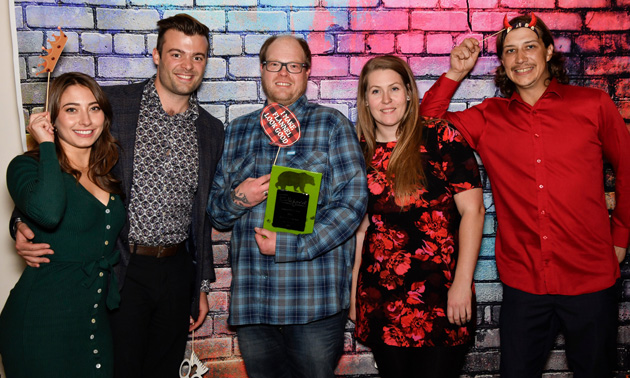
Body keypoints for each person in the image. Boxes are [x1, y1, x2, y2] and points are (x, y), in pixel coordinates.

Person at [12, 14, 225, 378]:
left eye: (198, 57)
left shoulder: (211, 129)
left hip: (176, 271)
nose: (187, 66)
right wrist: (21, 222)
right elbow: (63, 167)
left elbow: (201, 215)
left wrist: (201, 285)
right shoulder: (112, 106)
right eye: (176, 54)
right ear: (156, 55)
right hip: (121, 268)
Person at [419, 13, 630, 378]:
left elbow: (627, 170)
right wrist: (455, 72)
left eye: (530, 47)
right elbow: (428, 126)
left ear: (548, 51)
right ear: (502, 62)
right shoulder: (488, 116)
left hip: (591, 277)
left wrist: (621, 238)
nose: (520, 59)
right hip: (524, 282)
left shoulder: (593, 104)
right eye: (510, 51)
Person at [207, 35, 367, 378]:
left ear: (307, 72)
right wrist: (240, 198)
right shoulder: (236, 131)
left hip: (313, 303)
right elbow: (216, 213)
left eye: (294, 65)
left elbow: (352, 205)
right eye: (275, 64)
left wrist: (289, 245)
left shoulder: (332, 125)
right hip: (255, 305)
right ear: (262, 70)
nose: (284, 73)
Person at [349, 55, 485, 378]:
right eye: (376, 92)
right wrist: (354, 292)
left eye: (394, 89)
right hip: (380, 297)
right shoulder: (359, 150)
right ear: (365, 100)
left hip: (442, 295)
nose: (386, 100)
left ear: (409, 93)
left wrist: (463, 284)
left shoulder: (440, 137)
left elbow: (474, 211)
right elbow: (363, 228)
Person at [0, 72, 124, 377]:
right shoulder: (25, 166)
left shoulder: (108, 169)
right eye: (71, 109)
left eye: (94, 108)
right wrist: (45, 145)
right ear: (52, 117)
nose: (85, 119)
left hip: (95, 321)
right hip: (42, 323)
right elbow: (48, 213)